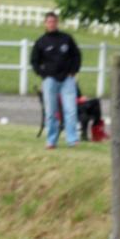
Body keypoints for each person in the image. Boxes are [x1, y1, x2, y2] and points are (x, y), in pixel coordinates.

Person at [31, 12, 82, 149]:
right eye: (49, 22)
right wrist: (43, 74)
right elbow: (34, 61)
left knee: (70, 110)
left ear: (57, 22)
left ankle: (72, 139)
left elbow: (76, 55)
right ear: (45, 23)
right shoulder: (41, 42)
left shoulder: (66, 39)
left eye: (54, 21)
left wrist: (73, 71)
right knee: (51, 112)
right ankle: (51, 140)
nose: (51, 24)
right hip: (50, 80)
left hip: (67, 79)